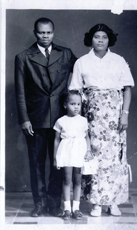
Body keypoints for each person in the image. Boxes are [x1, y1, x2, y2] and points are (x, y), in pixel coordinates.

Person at [69, 23, 135, 217]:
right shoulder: (82, 62)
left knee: (115, 157)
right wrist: (79, 116)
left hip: (115, 115)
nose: (100, 40)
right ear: (91, 39)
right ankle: (96, 203)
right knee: (93, 155)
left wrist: (125, 114)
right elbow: (75, 90)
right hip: (92, 115)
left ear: (109, 40)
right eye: (96, 36)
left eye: (104, 37)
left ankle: (113, 202)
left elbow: (127, 89)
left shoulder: (119, 60)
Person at [15, 17, 77, 217]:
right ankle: (39, 204)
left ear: (53, 32)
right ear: (35, 33)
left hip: (61, 119)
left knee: (58, 162)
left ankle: (54, 205)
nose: (45, 36)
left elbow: (84, 70)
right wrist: (24, 118)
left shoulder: (65, 54)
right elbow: (20, 92)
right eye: (41, 32)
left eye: (49, 32)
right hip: (35, 118)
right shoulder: (24, 57)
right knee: (37, 163)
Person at [53, 90, 92, 220]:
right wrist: (55, 157)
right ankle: (66, 209)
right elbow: (57, 140)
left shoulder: (83, 121)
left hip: (79, 153)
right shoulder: (61, 121)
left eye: (78, 104)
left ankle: (76, 208)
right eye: (72, 104)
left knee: (78, 181)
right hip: (66, 153)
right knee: (66, 180)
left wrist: (88, 151)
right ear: (65, 105)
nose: (76, 107)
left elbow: (87, 138)